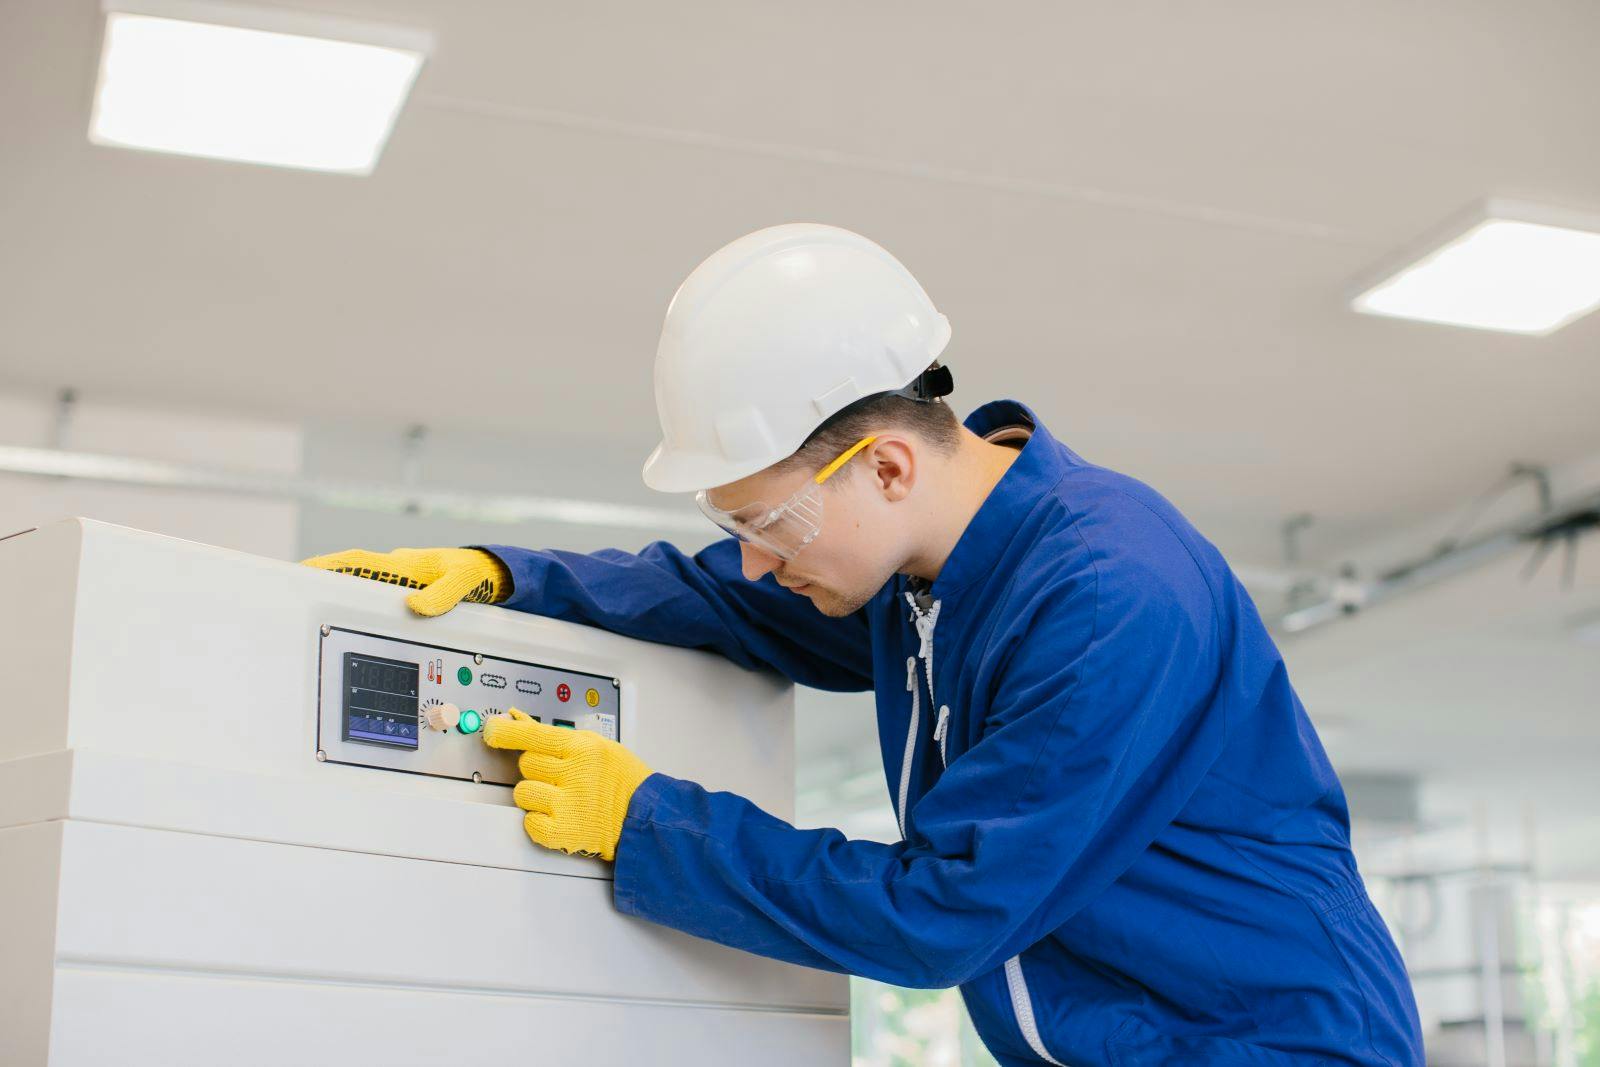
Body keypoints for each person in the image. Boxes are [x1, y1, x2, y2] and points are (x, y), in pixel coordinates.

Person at [305, 223, 1423, 1065]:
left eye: (769, 521)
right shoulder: (918, 571)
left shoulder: (1110, 596)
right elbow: (728, 604)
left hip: (1272, 1045)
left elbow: (943, 911)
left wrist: (647, 821)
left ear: (886, 465)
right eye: (732, 524)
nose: (755, 557)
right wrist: (511, 579)